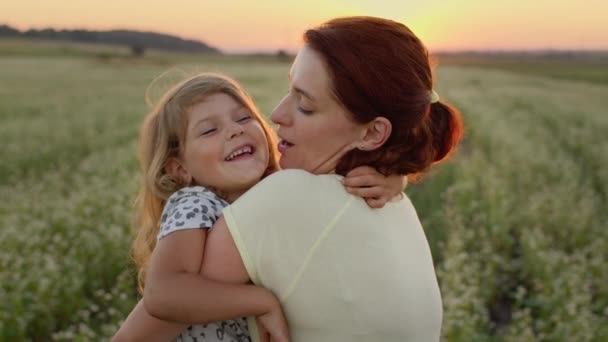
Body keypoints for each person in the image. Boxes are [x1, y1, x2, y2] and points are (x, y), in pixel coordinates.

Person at [141, 16, 463, 341]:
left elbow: (141, 331)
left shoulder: (283, 197)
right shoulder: (393, 203)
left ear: (373, 133)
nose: (276, 115)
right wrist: (397, 177)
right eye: (289, 90)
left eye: (305, 105)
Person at [113, 72, 406, 341]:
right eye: (209, 130)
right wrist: (261, 301)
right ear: (179, 169)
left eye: (243, 119)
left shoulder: (269, 193)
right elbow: (163, 293)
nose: (234, 131)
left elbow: (331, 180)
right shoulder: (196, 202)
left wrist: (394, 180)